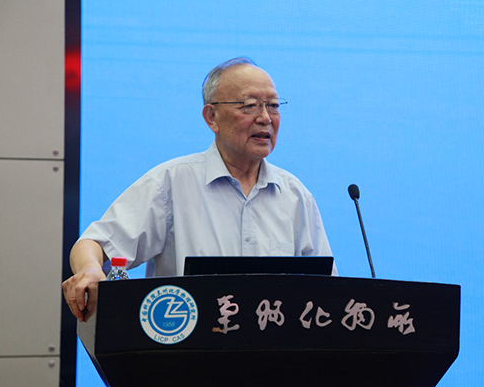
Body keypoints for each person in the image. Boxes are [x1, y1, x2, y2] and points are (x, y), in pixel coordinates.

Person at [63, 57, 335, 322]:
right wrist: (90, 269)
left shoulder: (295, 196)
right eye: (250, 106)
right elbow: (94, 244)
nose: (265, 118)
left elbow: (328, 292)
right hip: (187, 346)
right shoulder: (170, 183)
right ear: (212, 117)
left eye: (273, 106)